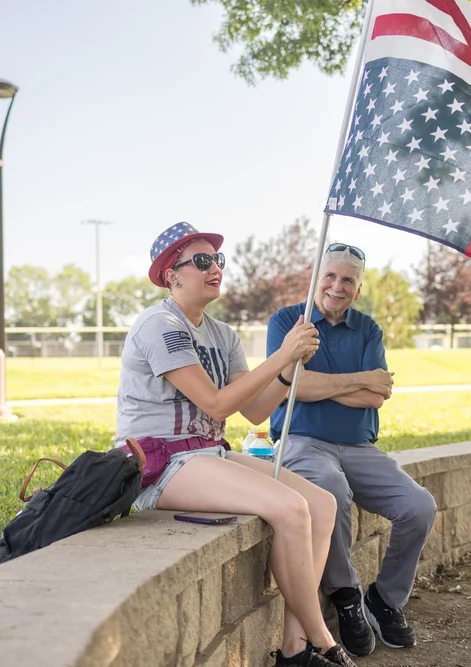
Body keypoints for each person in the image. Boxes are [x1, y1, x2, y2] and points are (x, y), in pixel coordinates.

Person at [114, 221, 358, 667]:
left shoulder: (222, 334)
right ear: (173, 275)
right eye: (202, 261)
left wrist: (289, 369)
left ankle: (294, 648)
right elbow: (215, 402)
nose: (215, 268)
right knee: (290, 508)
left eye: (218, 260)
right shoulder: (160, 324)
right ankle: (324, 641)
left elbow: (255, 410)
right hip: (161, 463)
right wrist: (280, 354)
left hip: (208, 454)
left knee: (321, 504)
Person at [266, 243, 437, 657]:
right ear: (316, 277)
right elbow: (293, 386)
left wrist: (323, 385)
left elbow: (376, 398)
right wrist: (360, 379)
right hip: (303, 444)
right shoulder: (290, 321)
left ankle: (384, 600)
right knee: (330, 488)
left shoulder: (368, 329)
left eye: (347, 280)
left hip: (359, 446)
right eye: (330, 276)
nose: (336, 286)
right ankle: (346, 595)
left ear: (357, 289)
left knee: (420, 506)